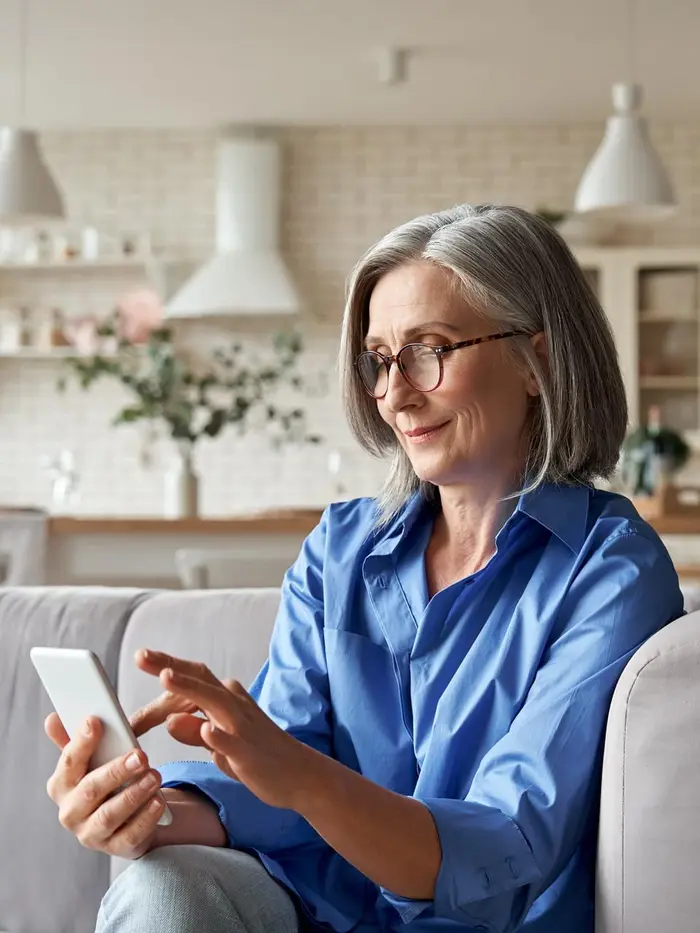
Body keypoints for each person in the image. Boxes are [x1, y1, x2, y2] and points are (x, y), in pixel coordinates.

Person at [43, 204, 683, 933]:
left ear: (536, 361)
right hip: (315, 914)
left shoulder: (609, 570)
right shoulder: (340, 547)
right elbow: (274, 791)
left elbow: (506, 849)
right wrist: (143, 812)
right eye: (380, 359)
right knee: (162, 885)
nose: (395, 393)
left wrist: (296, 774)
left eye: (429, 349)